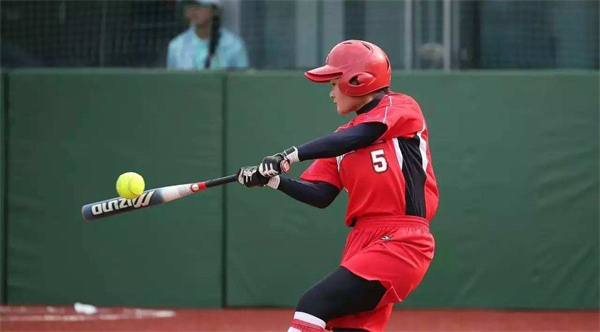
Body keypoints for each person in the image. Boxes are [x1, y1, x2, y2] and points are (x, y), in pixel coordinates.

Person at [237, 40, 439, 332]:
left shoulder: (401, 107)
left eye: (334, 83)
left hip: (403, 238)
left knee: (313, 304)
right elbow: (321, 194)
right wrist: (273, 180)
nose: (331, 93)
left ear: (357, 81)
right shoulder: (341, 139)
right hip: (362, 241)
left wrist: (289, 155)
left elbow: (362, 135)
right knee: (345, 327)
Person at [167, 0, 248, 70]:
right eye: (189, 6)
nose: (193, 10)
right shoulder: (176, 46)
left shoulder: (233, 44)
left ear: (214, 10)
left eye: (199, 6)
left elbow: (242, 82)